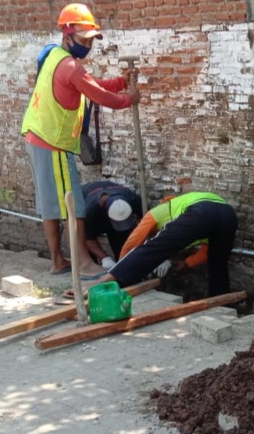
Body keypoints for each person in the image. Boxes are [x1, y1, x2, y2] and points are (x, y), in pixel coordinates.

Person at [21, 3, 140, 278]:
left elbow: (90, 85)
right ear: (67, 34)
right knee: (72, 204)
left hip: (36, 136)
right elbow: (99, 96)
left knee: (50, 205)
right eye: (83, 39)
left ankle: (57, 261)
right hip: (53, 144)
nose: (87, 45)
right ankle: (84, 263)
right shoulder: (71, 66)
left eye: (90, 40)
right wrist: (127, 99)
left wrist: (120, 82)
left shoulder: (54, 56)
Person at [78, 192, 238, 297]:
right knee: (218, 263)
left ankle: (105, 282)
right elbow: (206, 252)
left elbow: (137, 243)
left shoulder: (161, 211)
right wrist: (186, 264)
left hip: (202, 212)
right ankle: (222, 305)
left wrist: (118, 269)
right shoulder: (188, 203)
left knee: (155, 247)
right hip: (228, 214)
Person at [82, 181, 143, 269]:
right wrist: (105, 258)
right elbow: (87, 238)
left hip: (110, 199)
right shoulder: (90, 210)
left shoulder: (134, 199)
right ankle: (93, 271)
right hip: (88, 203)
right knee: (89, 255)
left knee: (122, 251)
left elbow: (147, 223)